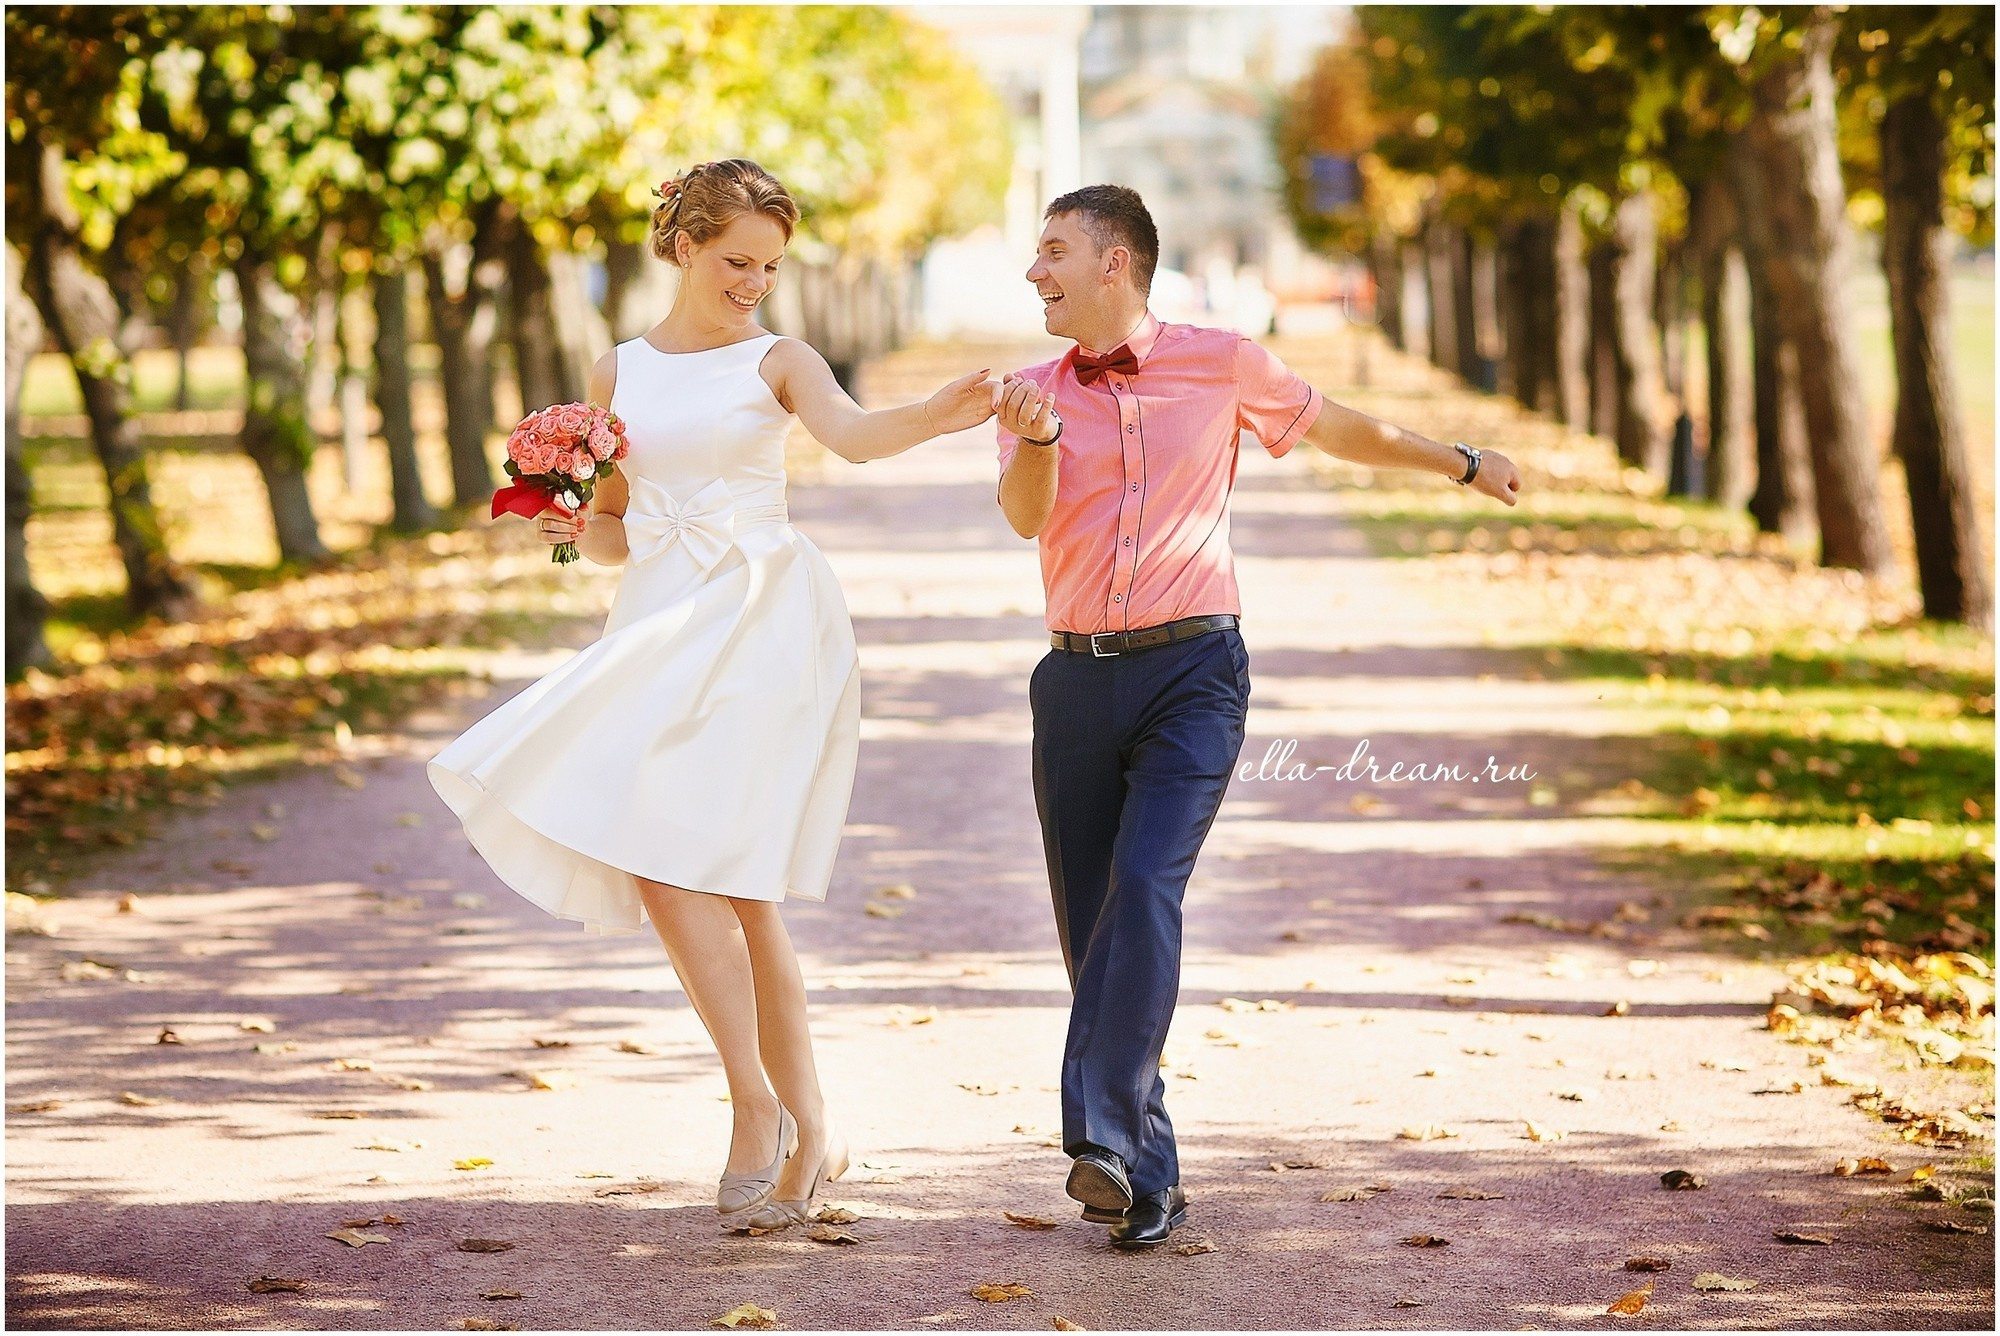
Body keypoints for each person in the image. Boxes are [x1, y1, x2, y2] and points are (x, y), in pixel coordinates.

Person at [427, 158, 995, 1232]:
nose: (754, 282)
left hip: (760, 617)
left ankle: (765, 1112)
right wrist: (566, 525)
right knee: (693, 870)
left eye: (770, 266)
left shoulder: (779, 358)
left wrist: (939, 409)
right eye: (737, 260)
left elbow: (857, 436)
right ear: (683, 245)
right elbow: (614, 530)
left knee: (710, 866)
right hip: (654, 617)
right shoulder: (617, 368)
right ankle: (797, 1117)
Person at [992, 185, 1521, 1250]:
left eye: (1052, 251)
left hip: (1193, 669)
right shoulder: (1030, 391)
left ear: (1116, 262)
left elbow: (1337, 430)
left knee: (1144, 886)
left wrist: (1457, 461)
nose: (1033, 271)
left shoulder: (1221, 359)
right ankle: (1151, 1172)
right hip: (1075, 680)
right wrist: (1039, 439)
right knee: (1088, 929)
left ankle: (1098, 1138)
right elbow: (1023, 520)